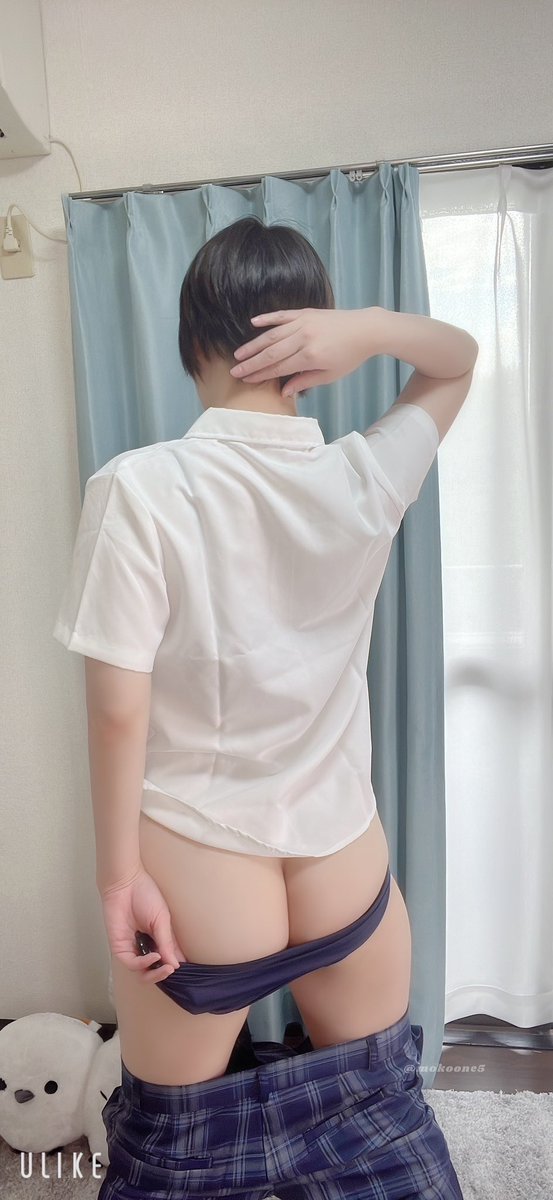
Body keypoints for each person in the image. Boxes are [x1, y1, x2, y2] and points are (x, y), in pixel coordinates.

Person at [53, 215, 478, 1198]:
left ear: (192, 340)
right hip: (343, 865)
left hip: (201, 879)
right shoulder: (364, 473)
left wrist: (117, 880)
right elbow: (455, 361)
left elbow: (117, 711)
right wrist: (369, 331)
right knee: (375, 1132)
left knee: (177, 1155)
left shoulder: (140, 488)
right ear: (310, 350)